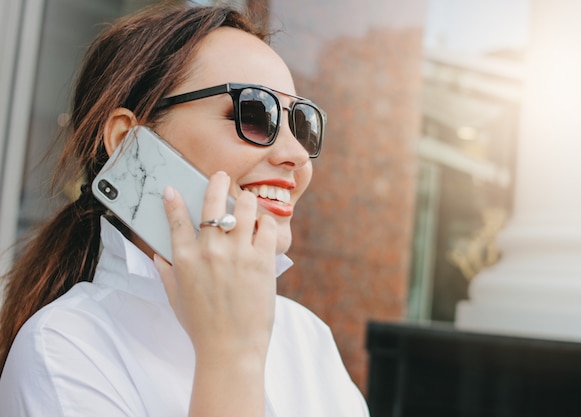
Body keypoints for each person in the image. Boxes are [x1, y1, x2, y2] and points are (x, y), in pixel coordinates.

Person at [0, 4, 370, 417]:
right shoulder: (63, 348)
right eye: (253, 112)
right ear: (127, 141)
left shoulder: (307, 338)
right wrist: (230, 355)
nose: (296, 155)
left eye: (301, 123)